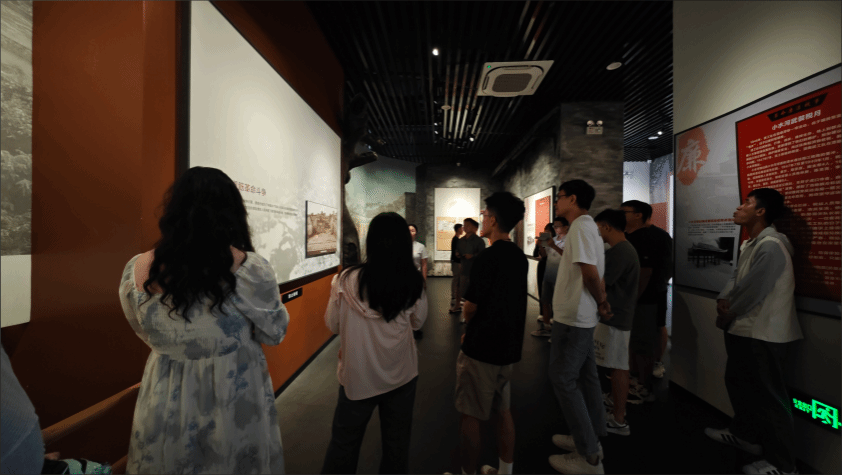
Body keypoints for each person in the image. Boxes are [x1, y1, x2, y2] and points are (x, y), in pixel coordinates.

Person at [119, 167, 289, 474]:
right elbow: (274, 333)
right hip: (233, 394)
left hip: (164, 394)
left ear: (174, 210)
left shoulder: (137, 268)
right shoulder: (250, 268)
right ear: (232, 211)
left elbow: (141, 329)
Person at [705, 188, 802, 475]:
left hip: (763, 333)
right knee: (741, 386)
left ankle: (784, 466)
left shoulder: (771, 245)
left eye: (747, 203)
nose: (739, 207)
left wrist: (729, 312)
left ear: (761, 211)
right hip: (745, 329)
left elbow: (755, 288)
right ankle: (745, 435)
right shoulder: (752, 243)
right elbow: (738, 278)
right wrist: (724, 299)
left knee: (770, 399)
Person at [322, 212, 428, 474]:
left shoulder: (345, 280)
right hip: (401, 376)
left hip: (356, 377)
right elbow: (418, 323)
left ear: (370, 241)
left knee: (343, 446)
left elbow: (333, 325)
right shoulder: (413, 281)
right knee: (396, 447)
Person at [455, 192, 527, 475]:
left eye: (484, 215)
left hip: (482, 348)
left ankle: (468, 472)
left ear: (494, 220)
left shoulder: (487, 257)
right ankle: (505, 471)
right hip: (507, 348)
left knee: (470, 413)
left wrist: (467, 326)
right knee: (503, 410)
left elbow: (471, 306)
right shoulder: (519, 256)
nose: (482, 219)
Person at [547, 179, 610, 475]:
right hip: (579, 314)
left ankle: (589, 456)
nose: (556, 202)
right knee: (587, 377)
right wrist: (601, 300)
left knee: (563, 378)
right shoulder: (585, 228)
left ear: (572, 199)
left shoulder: (581, 227)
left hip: (574, 317)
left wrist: (601, 301)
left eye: (559, 197)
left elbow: (590, 272)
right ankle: (590, 436)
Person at [593, 209, 640, 437]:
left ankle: (619, 419)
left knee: (619, 366)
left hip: (616, 317)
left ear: (606, 226)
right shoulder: (622, 249)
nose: (597, 232)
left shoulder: (620, 251)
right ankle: (615, 405)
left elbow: (601, 283)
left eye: (598, 227)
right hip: (617, 315)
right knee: (616, 364)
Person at [620, 199, 672, 404]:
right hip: (642, 296)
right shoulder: (630, 236)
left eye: (624, 212)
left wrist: (632, 299)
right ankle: (634, 378)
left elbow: (646, 272)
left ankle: (642, 385)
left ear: (638, 214)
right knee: (636, 340)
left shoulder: (652, 236)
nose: (620, 215)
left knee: (644, 342)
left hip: (646, 298)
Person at [533, 217, 569, 338]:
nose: (555, 228)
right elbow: (544, 256)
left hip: (560, 276)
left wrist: (553, 246)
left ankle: (558, 333)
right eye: (555, 226)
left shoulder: (569, 240)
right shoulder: (552, 240)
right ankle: (546, 328)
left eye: (558, 226)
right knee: (545, 300)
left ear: (565, 227)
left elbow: (567, 257)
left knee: (558, 304)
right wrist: (540, 246)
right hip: (548, 274)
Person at [456, 218, 486, 321]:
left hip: (475, 271)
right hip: (464, 269)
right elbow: (458, 250)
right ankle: (465, 314)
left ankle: (474, 315)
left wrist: (472, 256)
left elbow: (482, 255)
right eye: (464, 225)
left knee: (474, 293)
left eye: (468, 225)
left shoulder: (479, 241)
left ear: (475, 228)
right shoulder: (461, 240)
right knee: (464, 292)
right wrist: (457, 254)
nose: (465, 227)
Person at [408, 223, 428, 339]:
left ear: (416, 233)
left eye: (413, 230)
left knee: (418, 302)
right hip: (404, 277)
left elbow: (424, 264)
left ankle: (416, 326)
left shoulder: (420, 247)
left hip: (416, 277)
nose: (410, 232)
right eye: (408, 230)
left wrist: (424, 280)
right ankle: (406, 326)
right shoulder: (401, 245)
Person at [450, 223, 465, 313]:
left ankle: (457, 297)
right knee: (456, 279)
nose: (463, 230)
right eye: (462, 228)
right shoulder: (456, 240)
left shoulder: (456, 239)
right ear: (458, 229)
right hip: (456, 262)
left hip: (457, 262)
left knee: (457, 279)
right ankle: (454, 297)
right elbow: (457, 253)